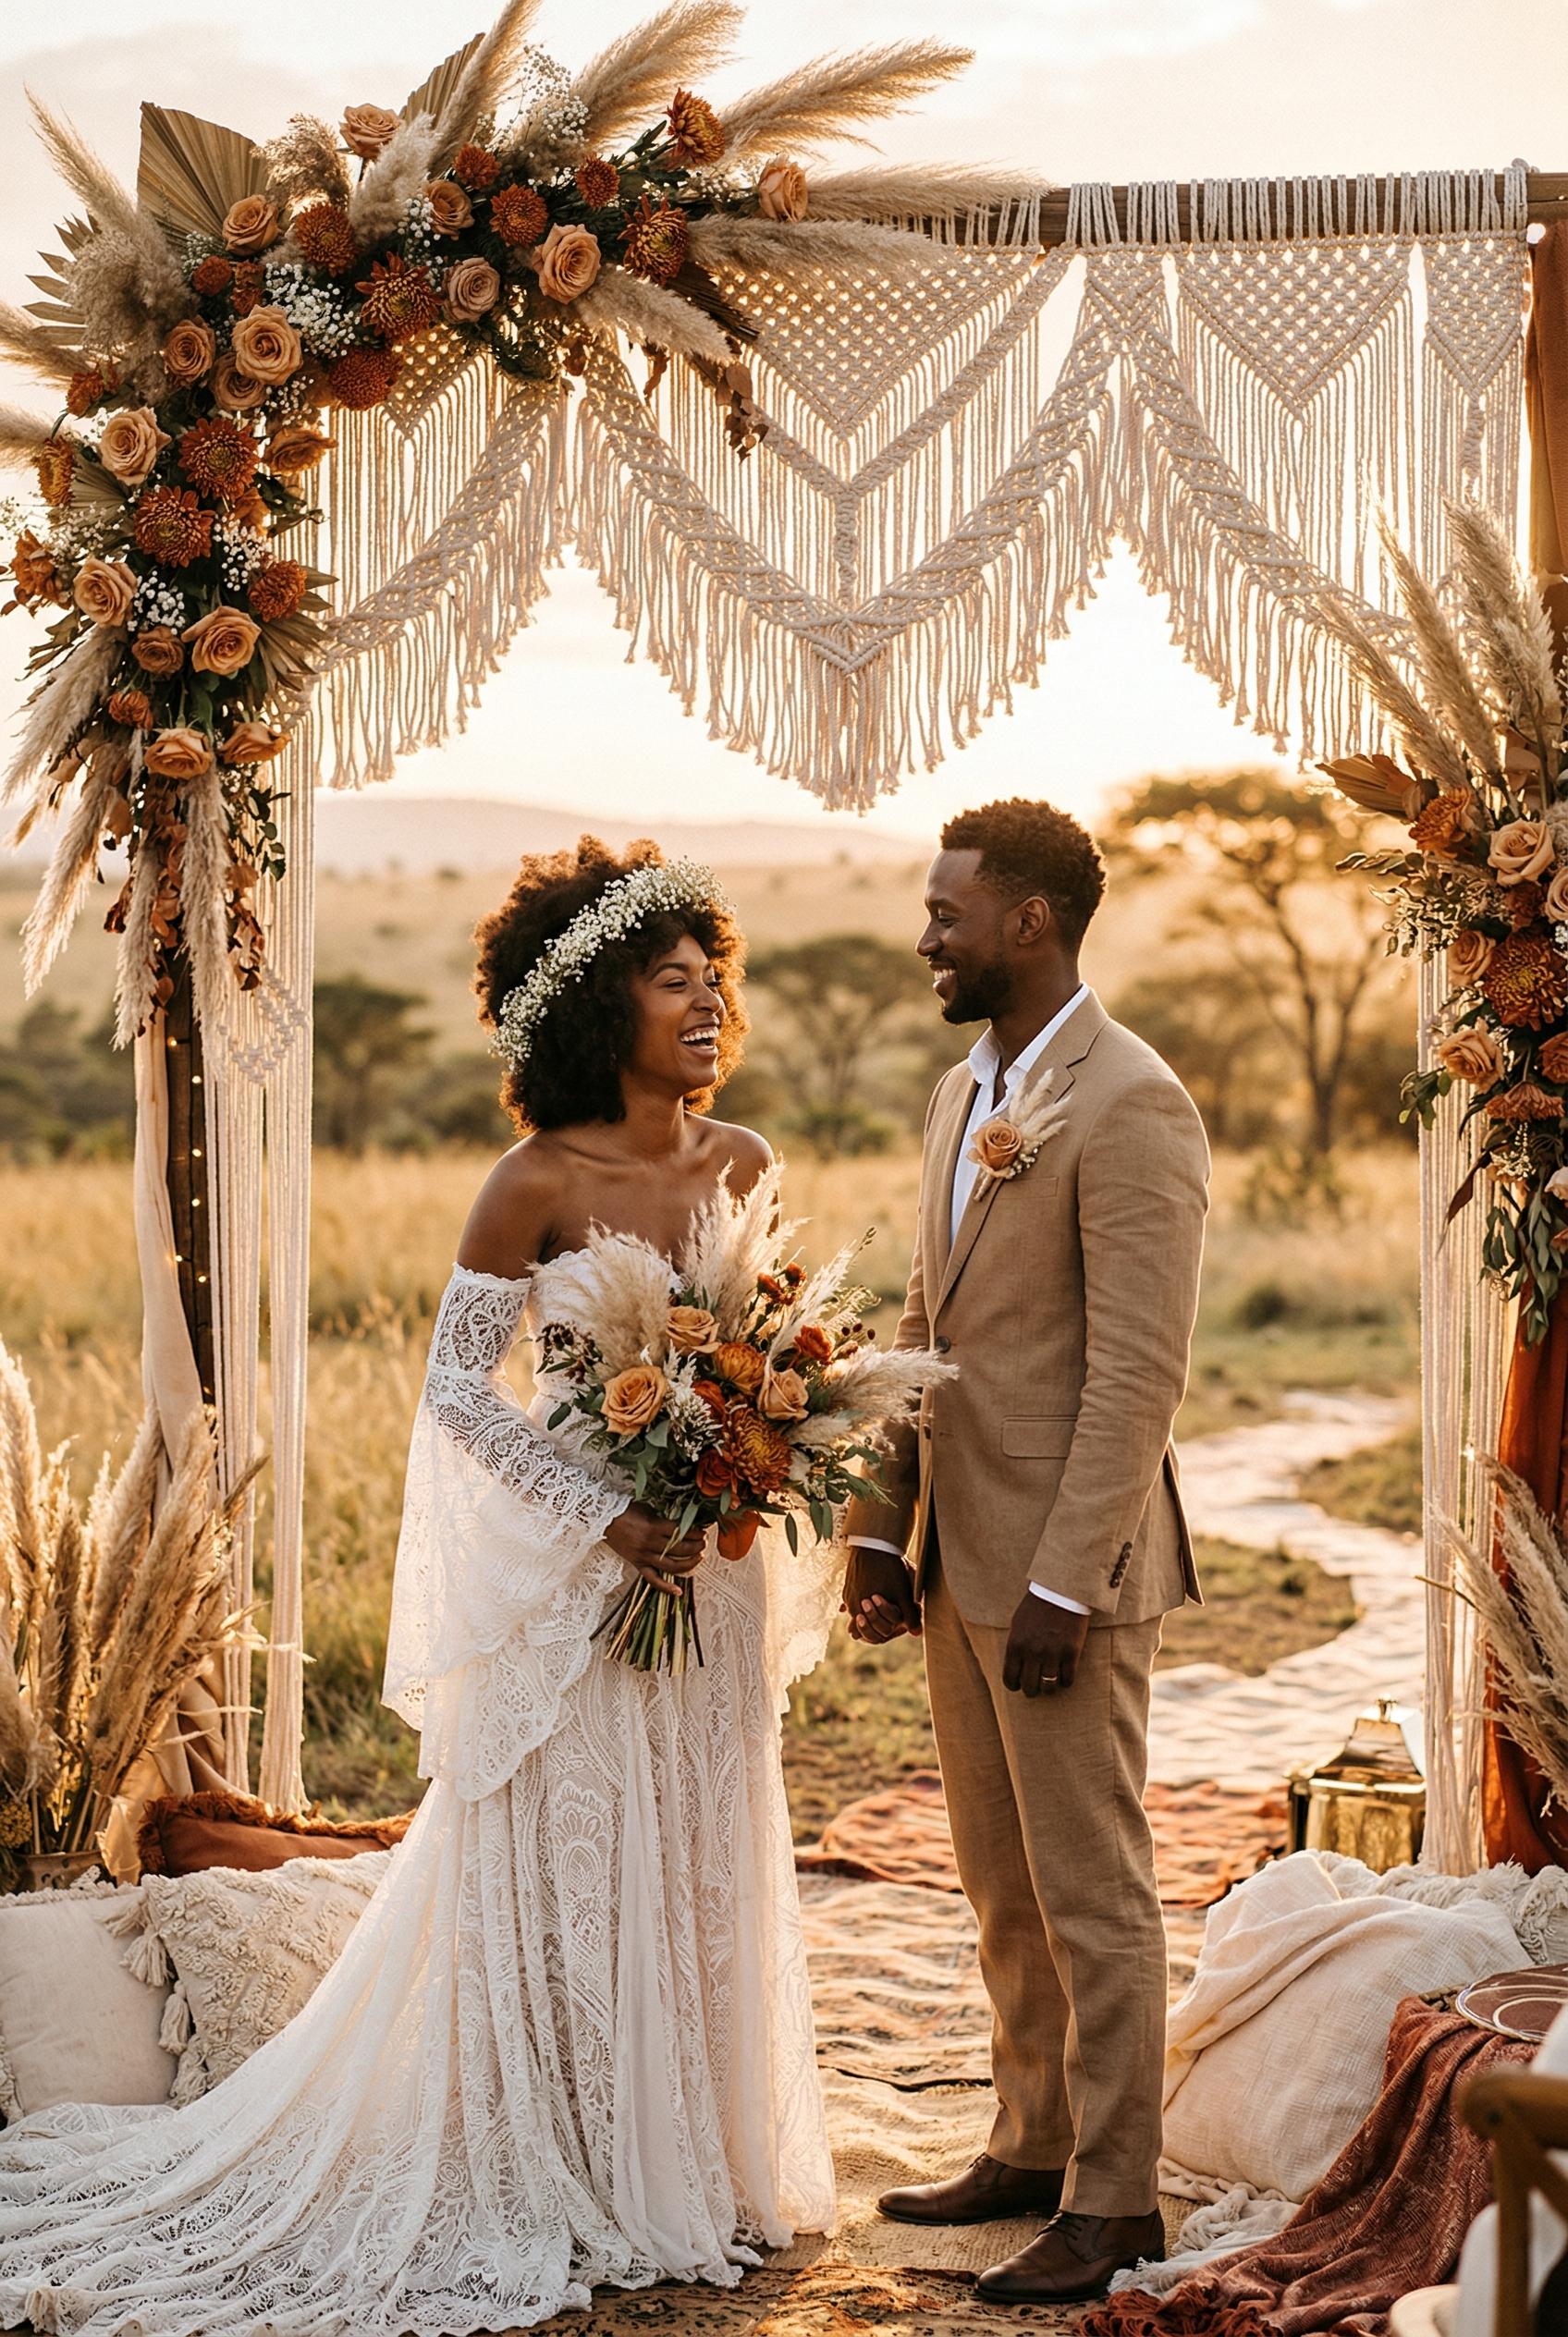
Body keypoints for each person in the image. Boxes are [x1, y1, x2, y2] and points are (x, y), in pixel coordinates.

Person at [0, 838, 836, 2336]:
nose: (710, 1003)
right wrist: (604, 1515)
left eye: (719, 977)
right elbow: (460, 1395)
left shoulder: (746, 1164)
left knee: (701, 1847)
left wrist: (749, 1454)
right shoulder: (533, 1183)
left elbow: (773, 1350)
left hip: (707, 1575)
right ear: (593, 1004)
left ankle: (694, 2158)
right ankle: (574, 2150)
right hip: (589, 1582)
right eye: (672, 980)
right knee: (584, 1859)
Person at [842, 796, 1210, 2306]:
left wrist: (1066, 1577)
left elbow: (1138, 1371)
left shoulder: (1134, 1103)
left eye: (948, 910)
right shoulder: (961, 1093)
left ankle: (1119, 2201)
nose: (926, 932)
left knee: (1092, 1888)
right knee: (998, 1883)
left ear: (1029, 922)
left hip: (1067, 1573)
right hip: (953, 1559)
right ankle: (1034, 2135)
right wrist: (877, 1522)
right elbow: (927, 1332)